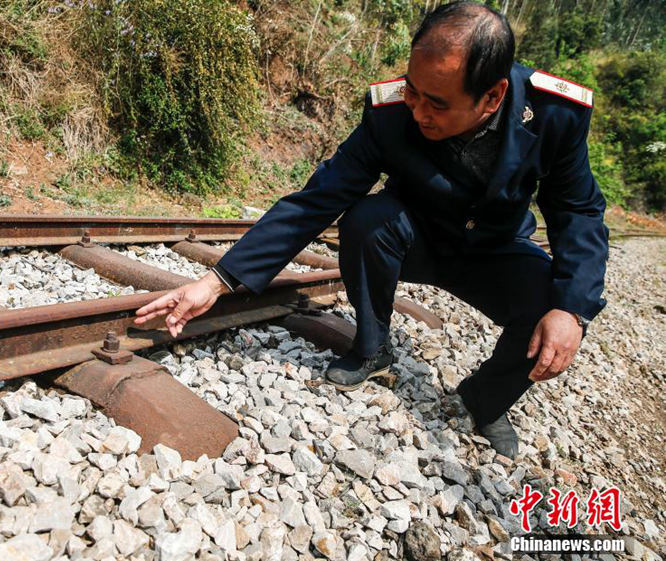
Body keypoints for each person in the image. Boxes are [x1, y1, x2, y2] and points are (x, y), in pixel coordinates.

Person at [134, 1, 609, 459]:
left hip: (493, 248)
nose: (418, 111)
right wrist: (217, 281)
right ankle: (372, 348)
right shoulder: (390, 111)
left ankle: (484, 401)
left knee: (558, 307)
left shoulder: (554, 115)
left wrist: (572, 310)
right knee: (366, 217)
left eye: (437, 104)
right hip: (410, 238)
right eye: (412, 91)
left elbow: (578, 212)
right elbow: (319, 199)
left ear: (493, 96)